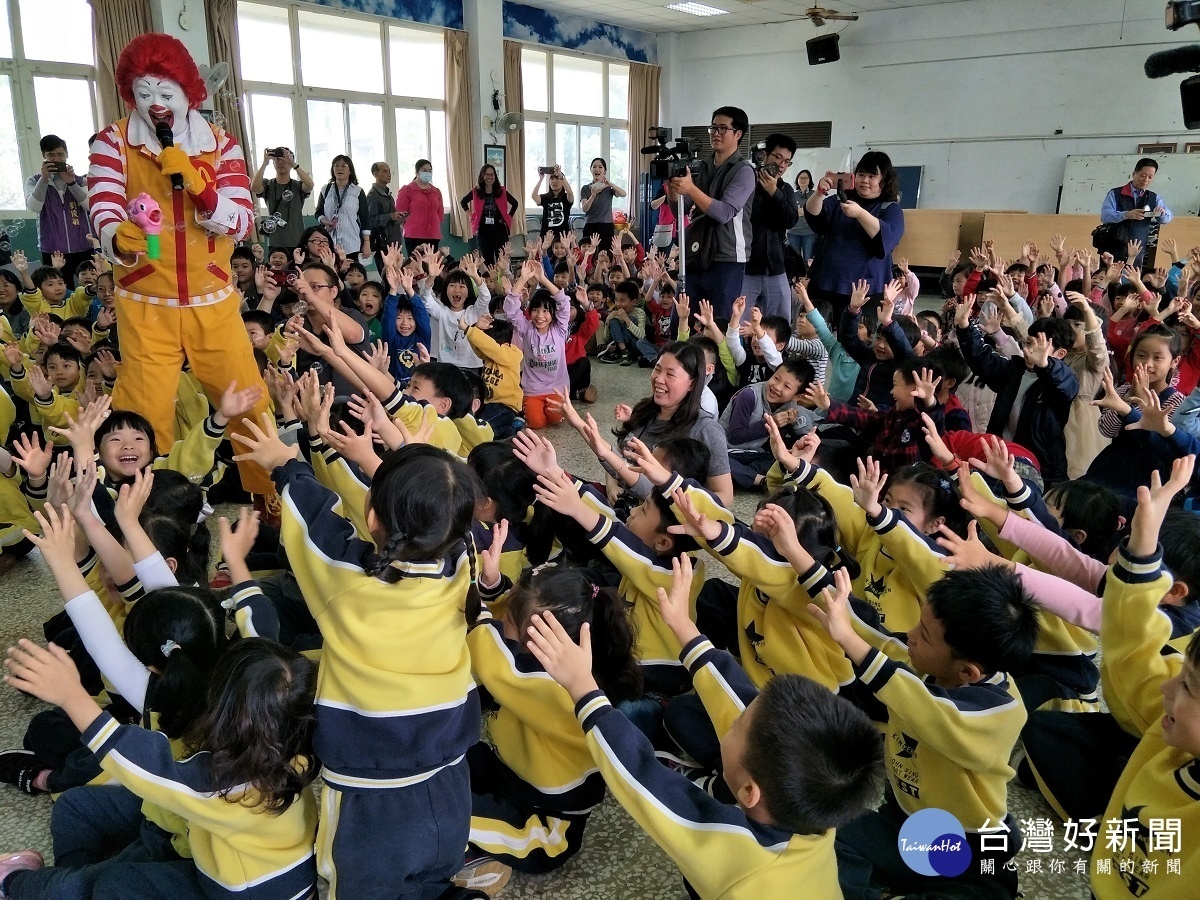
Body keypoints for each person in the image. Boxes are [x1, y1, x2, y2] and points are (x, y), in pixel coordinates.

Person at [524, 554, 886, 900]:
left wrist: (583, 688)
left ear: (749, 793)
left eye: (734, 729)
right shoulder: (817, 803)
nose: (730, 721)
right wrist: (682, 625)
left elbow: (642, 778)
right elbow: (738, 698)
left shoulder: (732, 848)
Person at [230, 422, 483, 900]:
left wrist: (285, 462)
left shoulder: (347, 579)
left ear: (371, 517)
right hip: (451, 771)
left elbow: (314, 520)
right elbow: (429, 513)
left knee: (363, 885)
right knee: (437, 862)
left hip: (372, 789)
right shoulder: (460, 560)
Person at [87, 32, 272, 499]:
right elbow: (103, 204)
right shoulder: (112, 143)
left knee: (249, 401)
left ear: (190, 94)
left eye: (166, 93)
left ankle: (267, 494)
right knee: (142, 413)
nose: (156, 104)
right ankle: (144, 505)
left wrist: (199, 186)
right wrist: (117, 234)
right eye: (144, 93)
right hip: (146, 304)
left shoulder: (222, 145)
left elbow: (240, 221)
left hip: (214, 303)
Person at [612, 341, 734, 506]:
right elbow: (619, 456)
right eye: (657, 369)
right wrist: (612, 487)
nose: (659, 379)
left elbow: (725, 496)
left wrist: (678, 501)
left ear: (692, 383)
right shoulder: (643, 411)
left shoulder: (706, 430)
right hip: (621, 503)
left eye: (670, 374)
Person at [667, 107, 754, 323]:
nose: (716, 133)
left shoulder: (744, 170)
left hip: (727, 257)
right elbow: (683, 208)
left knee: (721, 324)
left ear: (738, 134)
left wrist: (691, 189)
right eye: (713, 127)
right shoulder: (703, 166)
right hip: (697, 253)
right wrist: (672, 188)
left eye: (723, 128)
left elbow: (725, 212)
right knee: (682, 319)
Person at [805, 151, 905, 324]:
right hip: (825, 284)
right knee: (818, 336)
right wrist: (819, 193)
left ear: (884, 179)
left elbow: (886, 240)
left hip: (866, 292)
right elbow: (814, 215)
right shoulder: (840, 200)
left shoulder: (890, 209)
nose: (865, 180)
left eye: (872, 176)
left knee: (855, 338)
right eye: (861, 174)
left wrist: (860, 214)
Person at [504, 260, 570, 430]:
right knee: (536, 423)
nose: (540, 315)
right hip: (533, 389)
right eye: (536, 310)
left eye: (546, 311)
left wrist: (543, 279)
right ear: (530, 311)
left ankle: (558, 411)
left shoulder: (559, 329)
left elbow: (563, 303)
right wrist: (522, 279)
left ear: (553, 314)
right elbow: (511, 310)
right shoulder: (526, 328)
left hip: (557, 389)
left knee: (555, 418)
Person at [741, 135, 798, 321]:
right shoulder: (747, 183)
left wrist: (775, 193)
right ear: (764, 156)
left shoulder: (786, 189)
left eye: (787, 162)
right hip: (747, 266)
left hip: (776, 266)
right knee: (740, 322)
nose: (781, 165)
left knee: (780, 322)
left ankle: (776, 351)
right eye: (778, 158)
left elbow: (790, 220)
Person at [24, 135, 92, 288]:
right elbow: (34, 207)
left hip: (83, 245)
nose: (56, 159)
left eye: (60, 154)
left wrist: (71, 183)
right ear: (44, 156)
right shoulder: (34, 181)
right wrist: (44, 180)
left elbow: (89, 205)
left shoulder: (81, 180)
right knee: (58, 290)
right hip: (52, 249)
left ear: (67, 154)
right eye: (51, 155)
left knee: (89, 289)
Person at [1098, 157, 1172, 267]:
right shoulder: (1116, 193)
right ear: (1134, 173)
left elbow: (1167, 218)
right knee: (1109, 280)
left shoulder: (1154, 198)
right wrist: (1126, 214)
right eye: (1143, 175)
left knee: (1131, 282)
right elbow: (1105, 216)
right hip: (1113, 248)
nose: (1146, 179)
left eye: (1150, 177)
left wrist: (1161, 213)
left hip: (1137, 250)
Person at [249, 146, 313, 252]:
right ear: (273, 162)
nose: (281, 162)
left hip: (297, 240)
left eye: (285, 160)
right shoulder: (268, 184)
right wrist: (265, 163)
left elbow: (310, 185)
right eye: (278, 159)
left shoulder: (297, 185)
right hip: (275, 240)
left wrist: (294, 164)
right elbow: (254, 187)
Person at [459, 164, 518, 265]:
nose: (489, 177)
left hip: (499, 229)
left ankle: (502, 280)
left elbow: (515, 203)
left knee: (502, 260)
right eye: (487, 174)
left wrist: (509, 217)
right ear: (482, 176)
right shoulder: (476, 191)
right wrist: (471, 215)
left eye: (492, 174)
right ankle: (487, 280)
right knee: (486, 260)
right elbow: (463, 202)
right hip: (483, 230)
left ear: (495, 176)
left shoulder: (501, 190)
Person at [314, 155, 370, 261]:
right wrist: (324, 221)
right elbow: (318, 213)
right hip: (328, 243)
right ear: (333, 170)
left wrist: (367, 243)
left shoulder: (357, 191)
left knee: (351, 274)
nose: (340, 168)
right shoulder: (325, 190)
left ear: (350, 170)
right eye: (336, 166)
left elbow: (365, 218)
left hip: (351, 244)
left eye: (344, 166)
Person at [394, 159, 444, 254]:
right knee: (415, 264)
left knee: (431, 264)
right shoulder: (407, 190)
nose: (427, 173)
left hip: (433, 235)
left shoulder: (436, 191)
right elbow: (400, 214)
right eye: (424, 170)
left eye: (429, 171)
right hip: (414, 235)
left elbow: (439, 214)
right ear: (417, 172)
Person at [579, 158, 626, 251]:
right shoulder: (585, 188)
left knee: (606, 254)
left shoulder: (609, 188)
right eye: (594, 167)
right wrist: (593, 195)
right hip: (590, 225)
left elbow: (623, 194)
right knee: (589, 254)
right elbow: (585, 209)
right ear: (591, 169)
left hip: (606, 226)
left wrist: (611, 184)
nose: (597, 169)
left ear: (605, 171)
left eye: (600, 167)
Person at [365, 161, 403, 275]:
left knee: (396, 274)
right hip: (382, 243)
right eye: (384, 171)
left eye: (389, 171)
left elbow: (389, 219)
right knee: (388, 276)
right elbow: (371, 220)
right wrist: (390, 216)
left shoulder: (387, 194)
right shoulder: (373, 195)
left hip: (393, 241)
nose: (388, 174)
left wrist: (399, 217)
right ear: (375, 174)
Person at [532, 166, 574, 241]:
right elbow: (534, 196)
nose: (554, 181)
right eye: (552, 178)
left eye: (557, 178)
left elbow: (570, 193)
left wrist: (561, 176)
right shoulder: (546, 197)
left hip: (562, 238)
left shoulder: (566, 197)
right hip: (547, 237)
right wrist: (541, 179)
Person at [786, 169, 817, 262]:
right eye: (801, 178)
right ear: (797, 180)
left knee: (808, 258)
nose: (803, 180)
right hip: (793, 232)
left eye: (805, 178)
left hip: (809, 232)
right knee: (794, 259)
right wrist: (800, 211)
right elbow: (789, 211)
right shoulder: (792, 194)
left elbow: (816, 211)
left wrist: (803, 211)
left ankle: (807, 276)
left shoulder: (814, 194)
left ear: (809, 180)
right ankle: (796, 276)